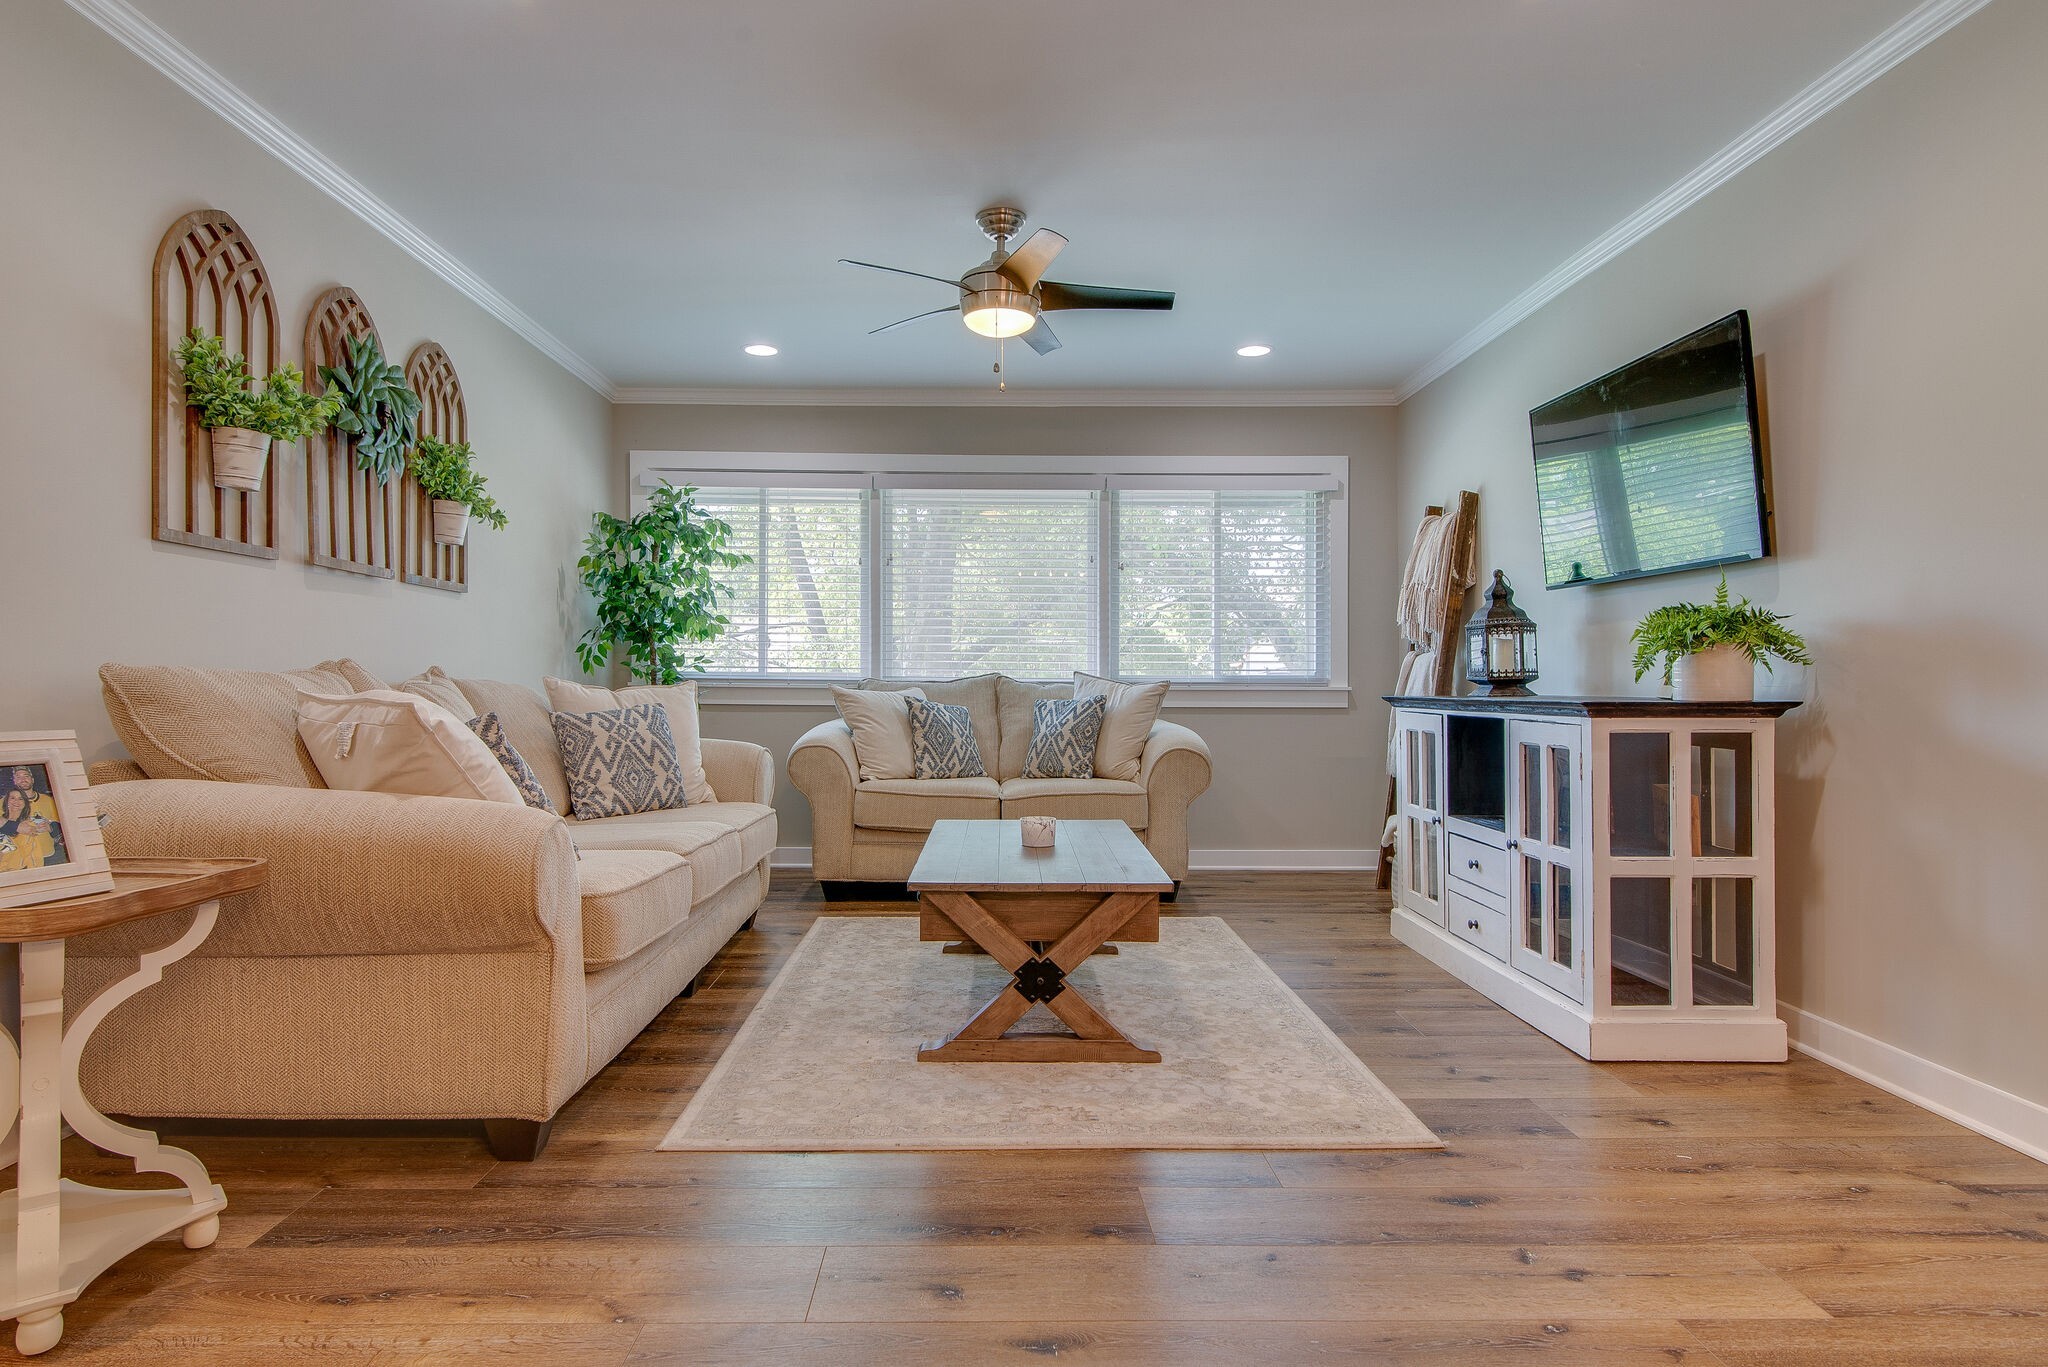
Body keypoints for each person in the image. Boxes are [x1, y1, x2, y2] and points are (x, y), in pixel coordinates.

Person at [0, 786, 55, 871]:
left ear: (25, 803)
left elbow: (33, 857)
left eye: (21, 799)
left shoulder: (29, 827)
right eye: (12, 798)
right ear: (6, 801)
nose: (16, 801)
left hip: (15, 873)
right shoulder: (2, 821)